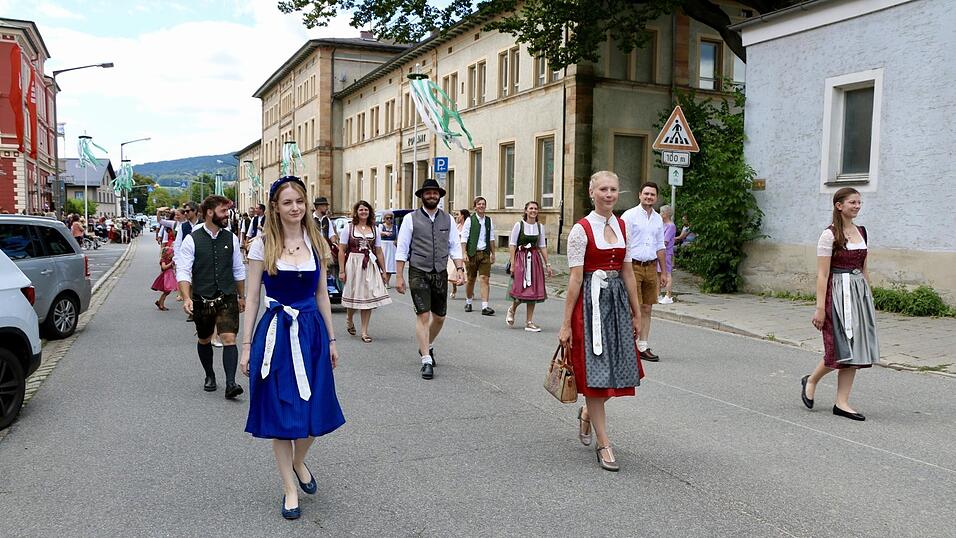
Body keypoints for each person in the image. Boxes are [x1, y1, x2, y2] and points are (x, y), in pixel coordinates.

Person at [239, 176, 344, 521]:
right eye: (287, 202)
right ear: (275, 207)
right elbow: (252, 298)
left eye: (299, 201)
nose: (295, 208)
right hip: (277, 335)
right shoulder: (262, 245)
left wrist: (331, 338)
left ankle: (299, 461)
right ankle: (288, 488)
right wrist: (245, 346)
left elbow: (321, 296)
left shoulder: (317, 241)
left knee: (316, 412)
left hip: (311, 332)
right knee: (282, 413)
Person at [559, 171, 644, 472]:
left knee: (617, 373)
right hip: (589, 307)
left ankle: (586, 414)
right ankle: (604, 443)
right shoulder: (581, 230)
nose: (609, 194)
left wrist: (636, 313)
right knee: (596, 377)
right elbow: (574, 279)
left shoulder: (623, 226)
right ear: (592, 192)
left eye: (614, 189)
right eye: (603, 189)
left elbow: (629, 273)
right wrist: (566, 323)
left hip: (617, 306)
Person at [802, 187, 879, 421]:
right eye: (852, 202)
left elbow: (864, 267)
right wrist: (820, 308)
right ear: (839, 206)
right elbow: (823, 274)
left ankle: (842, 402)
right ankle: (812, 379)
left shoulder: (861, 232)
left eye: (859, 202)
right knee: (839, 348)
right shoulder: (829, 235)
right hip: (838, 294)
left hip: (858, 294)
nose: (857, 206)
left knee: (855, 349)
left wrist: (869, 296)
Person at [176, 195, 247, 399]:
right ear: (209, 212)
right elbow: (183, 271)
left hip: (226, 295)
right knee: (205, 338)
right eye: (223, 211)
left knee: (228, 338)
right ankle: (209, 375)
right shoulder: (192, 239)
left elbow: (238, 269)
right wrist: (187, 297)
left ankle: (231, 383)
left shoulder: (231, 238)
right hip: (202, 297)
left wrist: (241, 296)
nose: (227, 215)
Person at [395, 178, 465, 380]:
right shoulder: (411, 219)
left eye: (435, 193)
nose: (432, 195)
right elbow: (402, 248)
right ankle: (426, 359)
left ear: (440, 196)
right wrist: (399, 276)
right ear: (422, 196)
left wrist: (459, 268)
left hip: (440, 271)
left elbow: (454, 246)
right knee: (423, 315)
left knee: (440, 317)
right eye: (428, 193)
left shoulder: (448, 220)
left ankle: (427, 344)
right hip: (418, 270)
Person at [621, 182, 669, 362]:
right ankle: (627, 346)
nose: (649, 197)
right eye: (646, 194)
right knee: (633, 308)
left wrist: (664, 272)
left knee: (647, 307)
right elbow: (622, 242)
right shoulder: (629, 216)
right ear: (639, 195)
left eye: (652, 195)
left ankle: (643, 345)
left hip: (650, 266)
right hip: (632, 266)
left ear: (656, 198)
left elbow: (660, 245)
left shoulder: (657, 219)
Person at [338, 200, 391, 342]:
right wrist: (342, 270)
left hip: (369, 265)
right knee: (353, 294)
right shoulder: (348, 228)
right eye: (361, 210)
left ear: (369, 212)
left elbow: (379, 251)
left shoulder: (375, 229)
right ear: (356, 212)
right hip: (353, 263)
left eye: (366, 210)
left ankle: (364, 331)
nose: (363, 212)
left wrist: (384, 271)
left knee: (367, 297)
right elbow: (342, 250)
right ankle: (349, 318)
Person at [505, 201, 553, 331]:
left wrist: (547, 264)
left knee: (533, 291)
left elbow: (542, 245)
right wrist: (513, 264)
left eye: (536, 208)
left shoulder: (540, 227)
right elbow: (512, 244)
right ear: (526, 210)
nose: (533, 211)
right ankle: (512, 309)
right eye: (531, 208)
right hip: (521, 259)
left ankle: (529, 321)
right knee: (520, 289)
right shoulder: (519, 225)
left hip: (534, 260)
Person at [460, 197, 496, 315]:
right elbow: (464, 238)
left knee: (485, 279)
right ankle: (469, 301)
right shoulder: (470, 220)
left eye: (483, 204)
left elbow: (491, 238)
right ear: (475, 206)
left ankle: (485, 307)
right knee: (471, 279)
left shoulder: (489, 221)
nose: (481, 206)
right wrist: (464, 253)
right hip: (472, 254)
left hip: (484, 253)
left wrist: (493, 253)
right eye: (479, 204)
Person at [448, 209, 469, 299]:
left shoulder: (467, 226)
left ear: (463, 216)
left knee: (467, 274)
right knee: (453, 271)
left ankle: (469, 291)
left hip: (464, 252)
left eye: (458, 215)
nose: (457, 216)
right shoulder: (457, 226)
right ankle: (454, 289)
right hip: (456, 252)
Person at [658, 205, 677, 304]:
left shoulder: (671, 226)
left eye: (661, 212)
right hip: (659, 252)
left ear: (666, 214)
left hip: (666, 253)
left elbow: (665, 241)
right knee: (658, 274)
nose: (660, 214)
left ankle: (668, 295)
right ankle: (658, 294)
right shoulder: (662, 224)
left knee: (667, 274)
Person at [151, 240, 177, 310]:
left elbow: (173, 268)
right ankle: (161, 304)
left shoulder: (170, 259)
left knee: (167, 291)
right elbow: (164, 267)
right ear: (168, 254)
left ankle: (160, 302)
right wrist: (171, 263)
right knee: (166, 291)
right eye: (172, 253)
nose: (173, 254)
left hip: (170, 276)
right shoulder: (164, 260)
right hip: (165, 277)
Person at [379, 211, 398, 287]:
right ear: (384, 219)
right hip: (383, 246)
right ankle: (382, 281)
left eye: (391, 218)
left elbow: (397, 236)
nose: (389, 220)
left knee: (390, 265)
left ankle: (387, 282)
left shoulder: (395, 227)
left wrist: (396, 241)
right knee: (383, 263)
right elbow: (378, 233)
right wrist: (384, 233)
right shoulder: (381, 226)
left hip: (392, 247)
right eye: (387, 218)